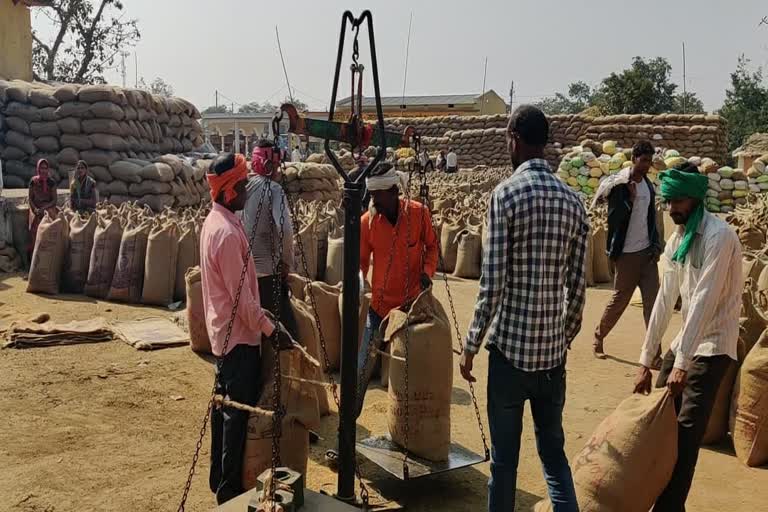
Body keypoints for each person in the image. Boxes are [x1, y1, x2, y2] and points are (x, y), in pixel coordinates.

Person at [461, 105, 589, 512]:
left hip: (510, 360)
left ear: (514, 139)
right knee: (554, 457)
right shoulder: (574, 201)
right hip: (552, 360)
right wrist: (562, 336)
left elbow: (492, 282)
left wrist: (471, 344)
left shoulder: (506, 195)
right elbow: (579, 287)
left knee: (504, 464)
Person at [633, 166, 741, 512]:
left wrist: (682, 363)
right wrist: (646, 360)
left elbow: (705, 300)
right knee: (659, 428)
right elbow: (665, 299)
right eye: (667, 202)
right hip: (686, 343)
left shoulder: (718, 236)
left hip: (711, 348)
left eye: (677, 201)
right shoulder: (679, 239)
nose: (671, 209)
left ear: (695, 198)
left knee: (684, 436)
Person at [200, 151, 290, 505]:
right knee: (236, 415)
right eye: (240, 186)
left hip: (225, 335)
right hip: (237, 338)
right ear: (226, 191)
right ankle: (228, 489)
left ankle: (217, 477)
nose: (246, 191)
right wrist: (271, 330)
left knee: (224, 409)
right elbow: (244, 302)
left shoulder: (219, 222)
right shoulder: (225, 235)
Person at [358, 163, 439, 403]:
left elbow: (433, 246)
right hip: (380, 309)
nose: (373, 201)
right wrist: (359, 283)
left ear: (394, 191)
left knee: (412, 371)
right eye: (371, 195)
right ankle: (348, 424)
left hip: (411, 309)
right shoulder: (367, 223)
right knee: (361, 369)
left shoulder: (418, 214)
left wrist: (427, 271)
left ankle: (413, 426)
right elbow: (361, 262)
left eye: (377, 195)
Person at [591, 141, 663, 360]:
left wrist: (656, 244)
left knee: (653, 305)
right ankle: (598, 336)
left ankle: (654, 354)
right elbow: (614, 219)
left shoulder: (648, 186)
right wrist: (629, 200)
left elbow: (651, 218)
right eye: (643, 161)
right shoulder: (621, 186)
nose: (646, 166)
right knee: (620, 300)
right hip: (627, 254)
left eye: (649, 162)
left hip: (647, 253)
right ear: (634, 159)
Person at [241, 138, 297, 338]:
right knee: (289, 333)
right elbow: (285, 229)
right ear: (269, 164)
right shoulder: (274, 189)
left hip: (245, 273)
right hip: (267, 272)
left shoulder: (244, 188)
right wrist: (286, 261)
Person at [27, 159, 58, 258]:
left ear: (48, 169)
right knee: (33, 227)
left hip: (48, 208)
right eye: (41, 168)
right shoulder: (33, 181)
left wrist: (44, 209)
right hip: (36, 208)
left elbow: (54, 200)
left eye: (45, 168)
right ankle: (34, 256)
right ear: (38, 169)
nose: (43, 170)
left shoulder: (51, 182)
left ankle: (49, 254)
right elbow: (30, 198)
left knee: (51, 227)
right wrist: (35, 209)